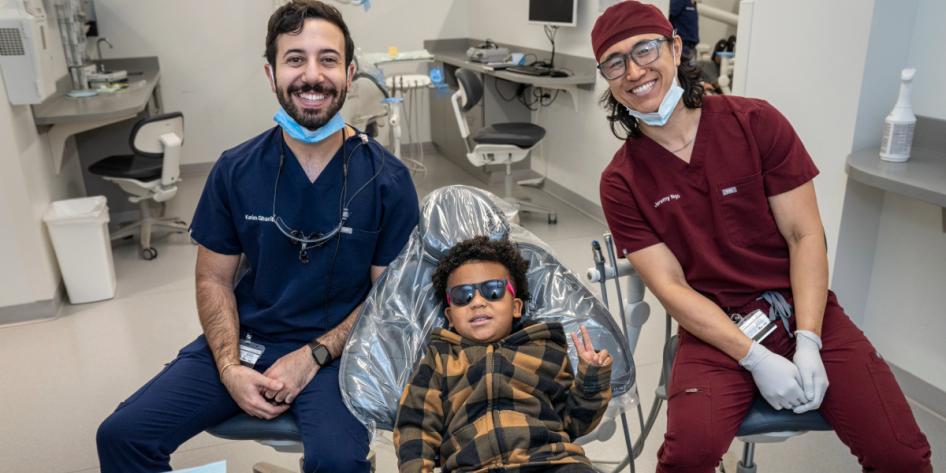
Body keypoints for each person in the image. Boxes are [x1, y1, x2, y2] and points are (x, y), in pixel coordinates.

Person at [590, 2, 932, 472]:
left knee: (902, 455)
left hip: (802, 310)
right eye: (615, 62)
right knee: (685, 459)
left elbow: (805, 235)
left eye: (644, 49)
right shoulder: (622, 181)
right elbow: (670, 287)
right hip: (715, 330)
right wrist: (753, 356)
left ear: (674, 47)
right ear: (607, 80)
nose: (634, 70)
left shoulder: (755, 123)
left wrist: (809, 339)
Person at [95, 2, 419, 472]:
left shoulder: (386, 179)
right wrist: (228, 367)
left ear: (350, 74)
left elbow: (389, 300)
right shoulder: (236, 170)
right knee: (122, 437)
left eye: (328, 60)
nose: (312, 75)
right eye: (295, 59)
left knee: (337, 462)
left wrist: (312, 355)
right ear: (271, 73)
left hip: (339, 352)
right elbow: (213, 279)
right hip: (246, 337)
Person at [394, 236, 613, 473]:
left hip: (551, 462)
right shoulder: (440, 359)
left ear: (516, 307)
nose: (477, 302)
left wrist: (591, 379)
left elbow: (575, 423)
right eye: (462, 296)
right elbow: (415, 426)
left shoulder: (545, 349)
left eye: (493, 291)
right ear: (450, 316)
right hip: (474, 467)